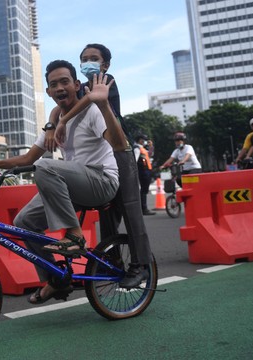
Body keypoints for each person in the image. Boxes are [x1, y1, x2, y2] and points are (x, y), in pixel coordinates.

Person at [0, 59, 126, 305]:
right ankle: (55, 279)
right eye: (54, 84)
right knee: (24, 222)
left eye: (65, 81)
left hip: (102, 181)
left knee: (44, 166)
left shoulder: (92, 111)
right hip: (75, 185)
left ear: (77, 85)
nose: (59, 87)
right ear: (48, 92)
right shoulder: (53, 124)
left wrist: (104, 104)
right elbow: (28, 157)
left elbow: (119, 146)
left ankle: (75, 237)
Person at [44, 43, 154, 288]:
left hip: (120, 150)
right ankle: (112, 263)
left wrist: (63, 121)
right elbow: (57, 108)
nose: (88, 62)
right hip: (101, 160)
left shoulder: (106, 81)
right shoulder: (81, 87)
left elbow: (89, 103)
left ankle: (140, 266)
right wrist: (53, 124)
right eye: (84, 58)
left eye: (94, 58)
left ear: (105, 64)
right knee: (107, 215)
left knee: (130, 209)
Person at [134, 134, 155, 215]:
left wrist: (151, 146)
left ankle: (143, 208)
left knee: (144, 190)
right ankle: (144, 209)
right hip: (143, 171)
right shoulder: (137, 148)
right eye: (144, 139)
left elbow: (150, 154)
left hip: (146, 171)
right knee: (144, 190)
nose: (145, 141)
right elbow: (135, 160)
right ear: (139, 140)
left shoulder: (142, 148)